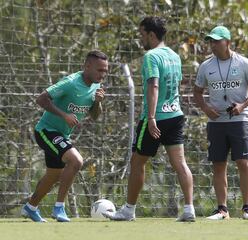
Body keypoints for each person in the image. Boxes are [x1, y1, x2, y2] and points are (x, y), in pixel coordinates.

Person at [103, 16, 195, 222]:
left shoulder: (151, 57)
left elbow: (154, 85)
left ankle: (128, 210)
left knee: (137, 162)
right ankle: (189, 209)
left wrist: (151, 117)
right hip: (175, 114)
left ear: (151, 35)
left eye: (142, 35)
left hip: (155, 117)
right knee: (180, 164)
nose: (140, 39)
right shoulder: (174, 56)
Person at [21, 50, 108, 222]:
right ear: (87, 66)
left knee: (53, 175)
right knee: (76, 161)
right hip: (46, 131)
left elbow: (96, 116)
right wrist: (64, 115)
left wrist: (98, 103)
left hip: (61, 134)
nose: (103, 74)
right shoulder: (71, 82)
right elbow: (41, 99)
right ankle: (59, 208)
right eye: (100, 70)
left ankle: (30, 207)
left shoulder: (96, 86)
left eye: (105, 71)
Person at [193, 26, 248, 220]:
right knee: (218, 164)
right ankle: (222, 209)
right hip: (216, 122)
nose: (213, 45)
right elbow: (197, 92)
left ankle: (247, 208)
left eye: (216, 41)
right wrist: (206, 109)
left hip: (240, 120)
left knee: (244, 162)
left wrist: (243, 105)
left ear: (228, 42)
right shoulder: (206, 66)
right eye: (211, 41)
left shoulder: (243, 63)